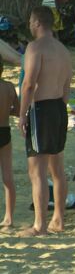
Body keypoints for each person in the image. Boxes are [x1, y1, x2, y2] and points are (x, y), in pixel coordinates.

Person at [18, 7, 72, 237]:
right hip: (59, 106)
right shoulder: (63, 50)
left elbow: (29, 83)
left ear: (38, 22)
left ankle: (40, 225)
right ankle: (58, 219)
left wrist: (22, 114)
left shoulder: (35, 48)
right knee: (57, 168)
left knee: (36, 170)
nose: (29, 25)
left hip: (41, 108)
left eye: (31, 21)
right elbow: (67, 83)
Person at [0, 62, 17, 229]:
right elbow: (18, 111)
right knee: (7, 178)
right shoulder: (9, 87)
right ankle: (9, 218)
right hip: (5, 131)